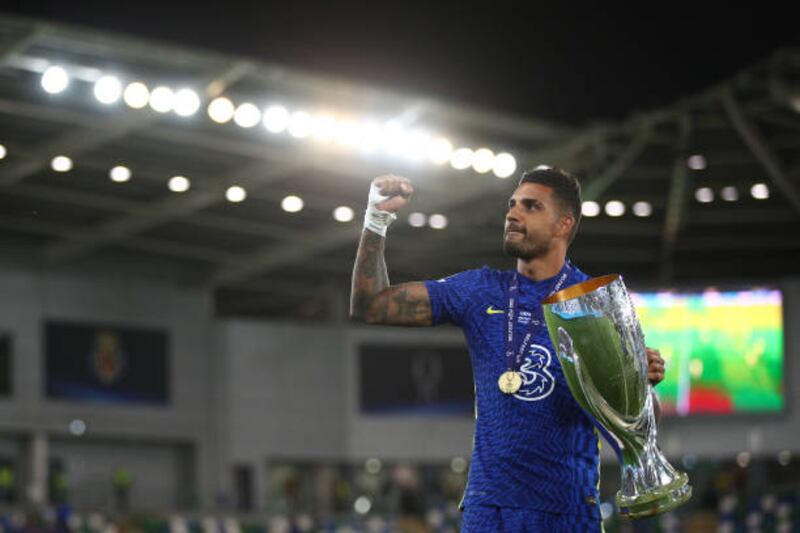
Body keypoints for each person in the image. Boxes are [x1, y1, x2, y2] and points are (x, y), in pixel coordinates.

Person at [350, 166, 666, 532]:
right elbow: (370, 305)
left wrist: (637, 384)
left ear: (564, 225)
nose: (513, 214)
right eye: (512, 205)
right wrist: (376, 219)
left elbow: (639, 431)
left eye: (531, 207)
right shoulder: (480, 290)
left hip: (564, 512)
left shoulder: (594, 306)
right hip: (489, 511)